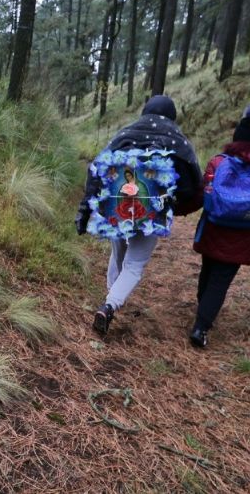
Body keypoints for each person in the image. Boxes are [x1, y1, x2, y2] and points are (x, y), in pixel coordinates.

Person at [76, 95, 202, 336]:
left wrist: (86, 209)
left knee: (118, 253)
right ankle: (110, 305)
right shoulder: (179, 141)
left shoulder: (125, 133)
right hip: (152, 213)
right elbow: (191, 186)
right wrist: (172, 201)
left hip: (116, 205)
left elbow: (97, 168)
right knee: (134, 264)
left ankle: (112, 295)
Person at [190, 104, 250, 348]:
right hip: (244, 233)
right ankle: (201, 326)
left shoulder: (218, 161)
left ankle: (203, 310)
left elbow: (203, 192)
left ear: (237, 136)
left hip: (214, 226)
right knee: (222, 278)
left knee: (209, 268)